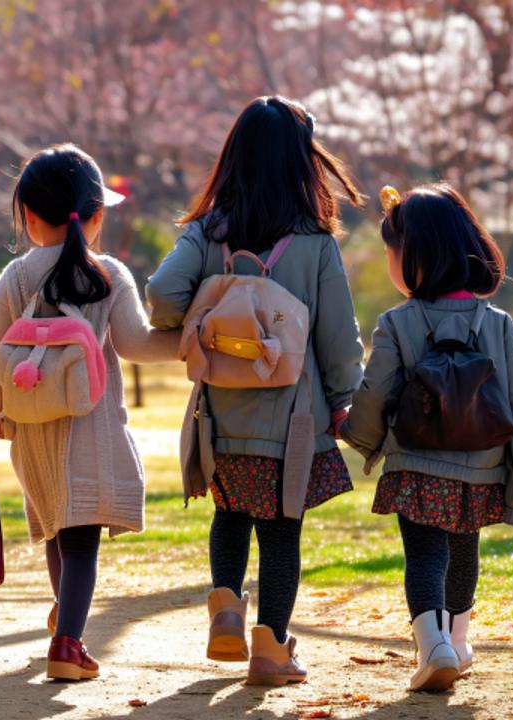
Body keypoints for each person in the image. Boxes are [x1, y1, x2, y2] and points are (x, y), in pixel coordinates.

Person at [146, 96, 365, 687]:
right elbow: (338, 334)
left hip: (221, 416)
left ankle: (224, 609)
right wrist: (346, 400)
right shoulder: (315, 242)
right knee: (281, 532)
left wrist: (199, 318)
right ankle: (270, 650)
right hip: (293, 422)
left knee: (229, 514)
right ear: (302, 163)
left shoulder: (207, 231)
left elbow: (163, 295)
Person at [0, 143, 179, 682]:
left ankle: (65, 621)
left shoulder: (14, 278)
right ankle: (68, 643)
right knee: (81, 539)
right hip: (89, 427)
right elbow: (134, 343)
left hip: (32, 431)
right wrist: (187, 342)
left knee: (60, 528)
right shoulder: (108, 274)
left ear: (30, 218)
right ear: (97, 214)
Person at [341, 183, 513, 692]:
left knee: (424, 556)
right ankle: (458, 643)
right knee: (464, 553)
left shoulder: (398, 322)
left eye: (390, 253)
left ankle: (432, 645)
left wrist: (357, 434)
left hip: (416, 463)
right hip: (481, 464)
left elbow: (376, 390)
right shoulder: (497, 323)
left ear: (415, 256)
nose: (388, 264)